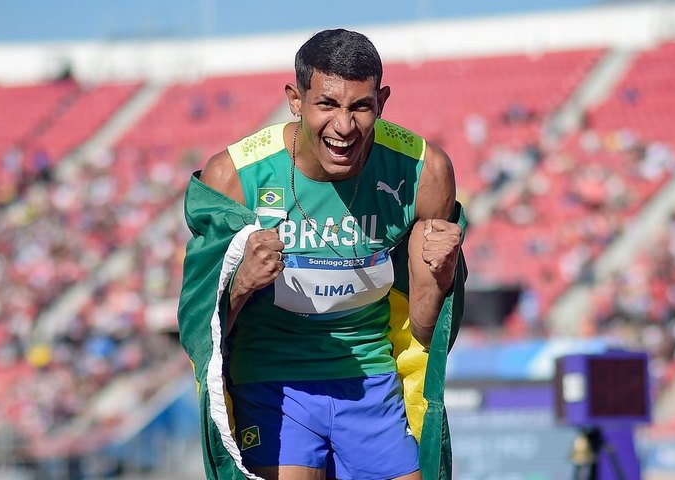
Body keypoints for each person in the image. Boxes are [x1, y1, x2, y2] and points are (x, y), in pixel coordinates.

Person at [178, 29, 467, 480]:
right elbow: (201, 334)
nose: (344, 127)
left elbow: (429, 335)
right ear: (296, 99)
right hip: (272, 383)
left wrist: (442, 274)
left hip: (373, 385)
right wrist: (240, 284)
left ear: (382, 101)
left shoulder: (423, 173)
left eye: (360, 107)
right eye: (327, 105)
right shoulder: (234, 176)